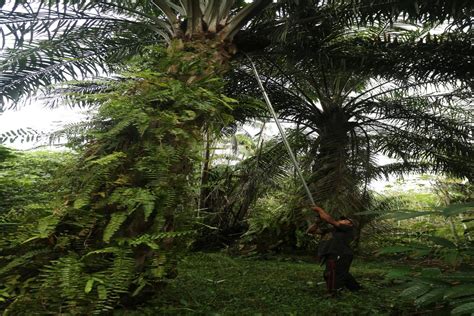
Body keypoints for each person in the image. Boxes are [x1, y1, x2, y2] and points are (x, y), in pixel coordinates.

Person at [306, 206, 361, 295]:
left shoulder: (348, 229)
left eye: (345, 220)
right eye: (342, 219)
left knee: (332, 273)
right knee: (341, 273)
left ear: (350, 224)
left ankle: (334, 291)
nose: (342, 220)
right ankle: (356, 289)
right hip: (332, 253)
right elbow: (311, 231)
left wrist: (319, 210)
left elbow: (330, 220)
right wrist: (317, 223)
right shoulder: (331, 229)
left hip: (341, 253)